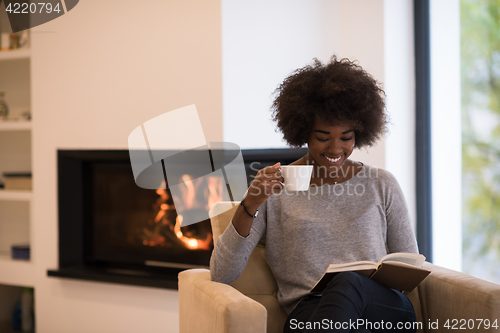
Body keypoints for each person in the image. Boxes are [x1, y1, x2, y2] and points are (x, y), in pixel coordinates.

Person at [210, 56, 418, 332]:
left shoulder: (381, 183)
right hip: (309, 314)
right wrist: (250, 202)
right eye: (323, 137)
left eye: (346, 137)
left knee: (348, 282)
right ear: (303, 131)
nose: (335, 149)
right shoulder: (276, 188)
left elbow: (409, 265)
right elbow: (222, 273)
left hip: (381, 308)